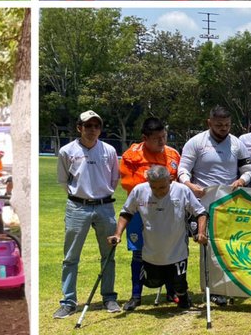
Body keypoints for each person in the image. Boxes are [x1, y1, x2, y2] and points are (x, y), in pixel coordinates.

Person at [109, 165, 207, 310]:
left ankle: (183, 296)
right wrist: (117, 234)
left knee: (179, 282)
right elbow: (126, 213)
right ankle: (137, 296)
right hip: (151, 251)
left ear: (170, 179)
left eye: (162, 187)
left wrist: (201, 232)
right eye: (153, 187)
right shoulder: (139, 190)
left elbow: (201, 212)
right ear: (148, 181)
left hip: (177, 250)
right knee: (152, 281)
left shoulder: (182, 190)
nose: (158, 191)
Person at [55, 110, 121, 317]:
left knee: (108, 255)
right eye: (88, 126)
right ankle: (68, 301)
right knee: (71, 257)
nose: (92, 130)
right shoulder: (67, 151)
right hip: (77, 207)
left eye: (96, 126)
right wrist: (80, 197)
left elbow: (114, 179)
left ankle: (109, 298)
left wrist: (100, 196)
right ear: (79, 128)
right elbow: (64, 180)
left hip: (105, 207)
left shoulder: (109, 150)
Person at [118, 117, 181, 311]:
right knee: (138, 253)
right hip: (141, 212)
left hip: (167, 212)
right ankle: (136, 295)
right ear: (145, 138)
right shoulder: (132, 156)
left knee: (170, 250)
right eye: (157, 138)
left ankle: (172, 291)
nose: (162, 142)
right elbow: (129, 185)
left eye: (164, 137)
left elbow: (177, 183)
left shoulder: (173, 154)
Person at [179, 106, 251, 197]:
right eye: (219, 125)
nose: (224, 128)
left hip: (228, 200)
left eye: (227, 125)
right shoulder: (195, 142)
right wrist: (189, 185)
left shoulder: (238, 144)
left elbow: (248, 171)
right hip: (201, 200)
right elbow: (183, 169)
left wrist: (241, 181)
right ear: (209, 123)